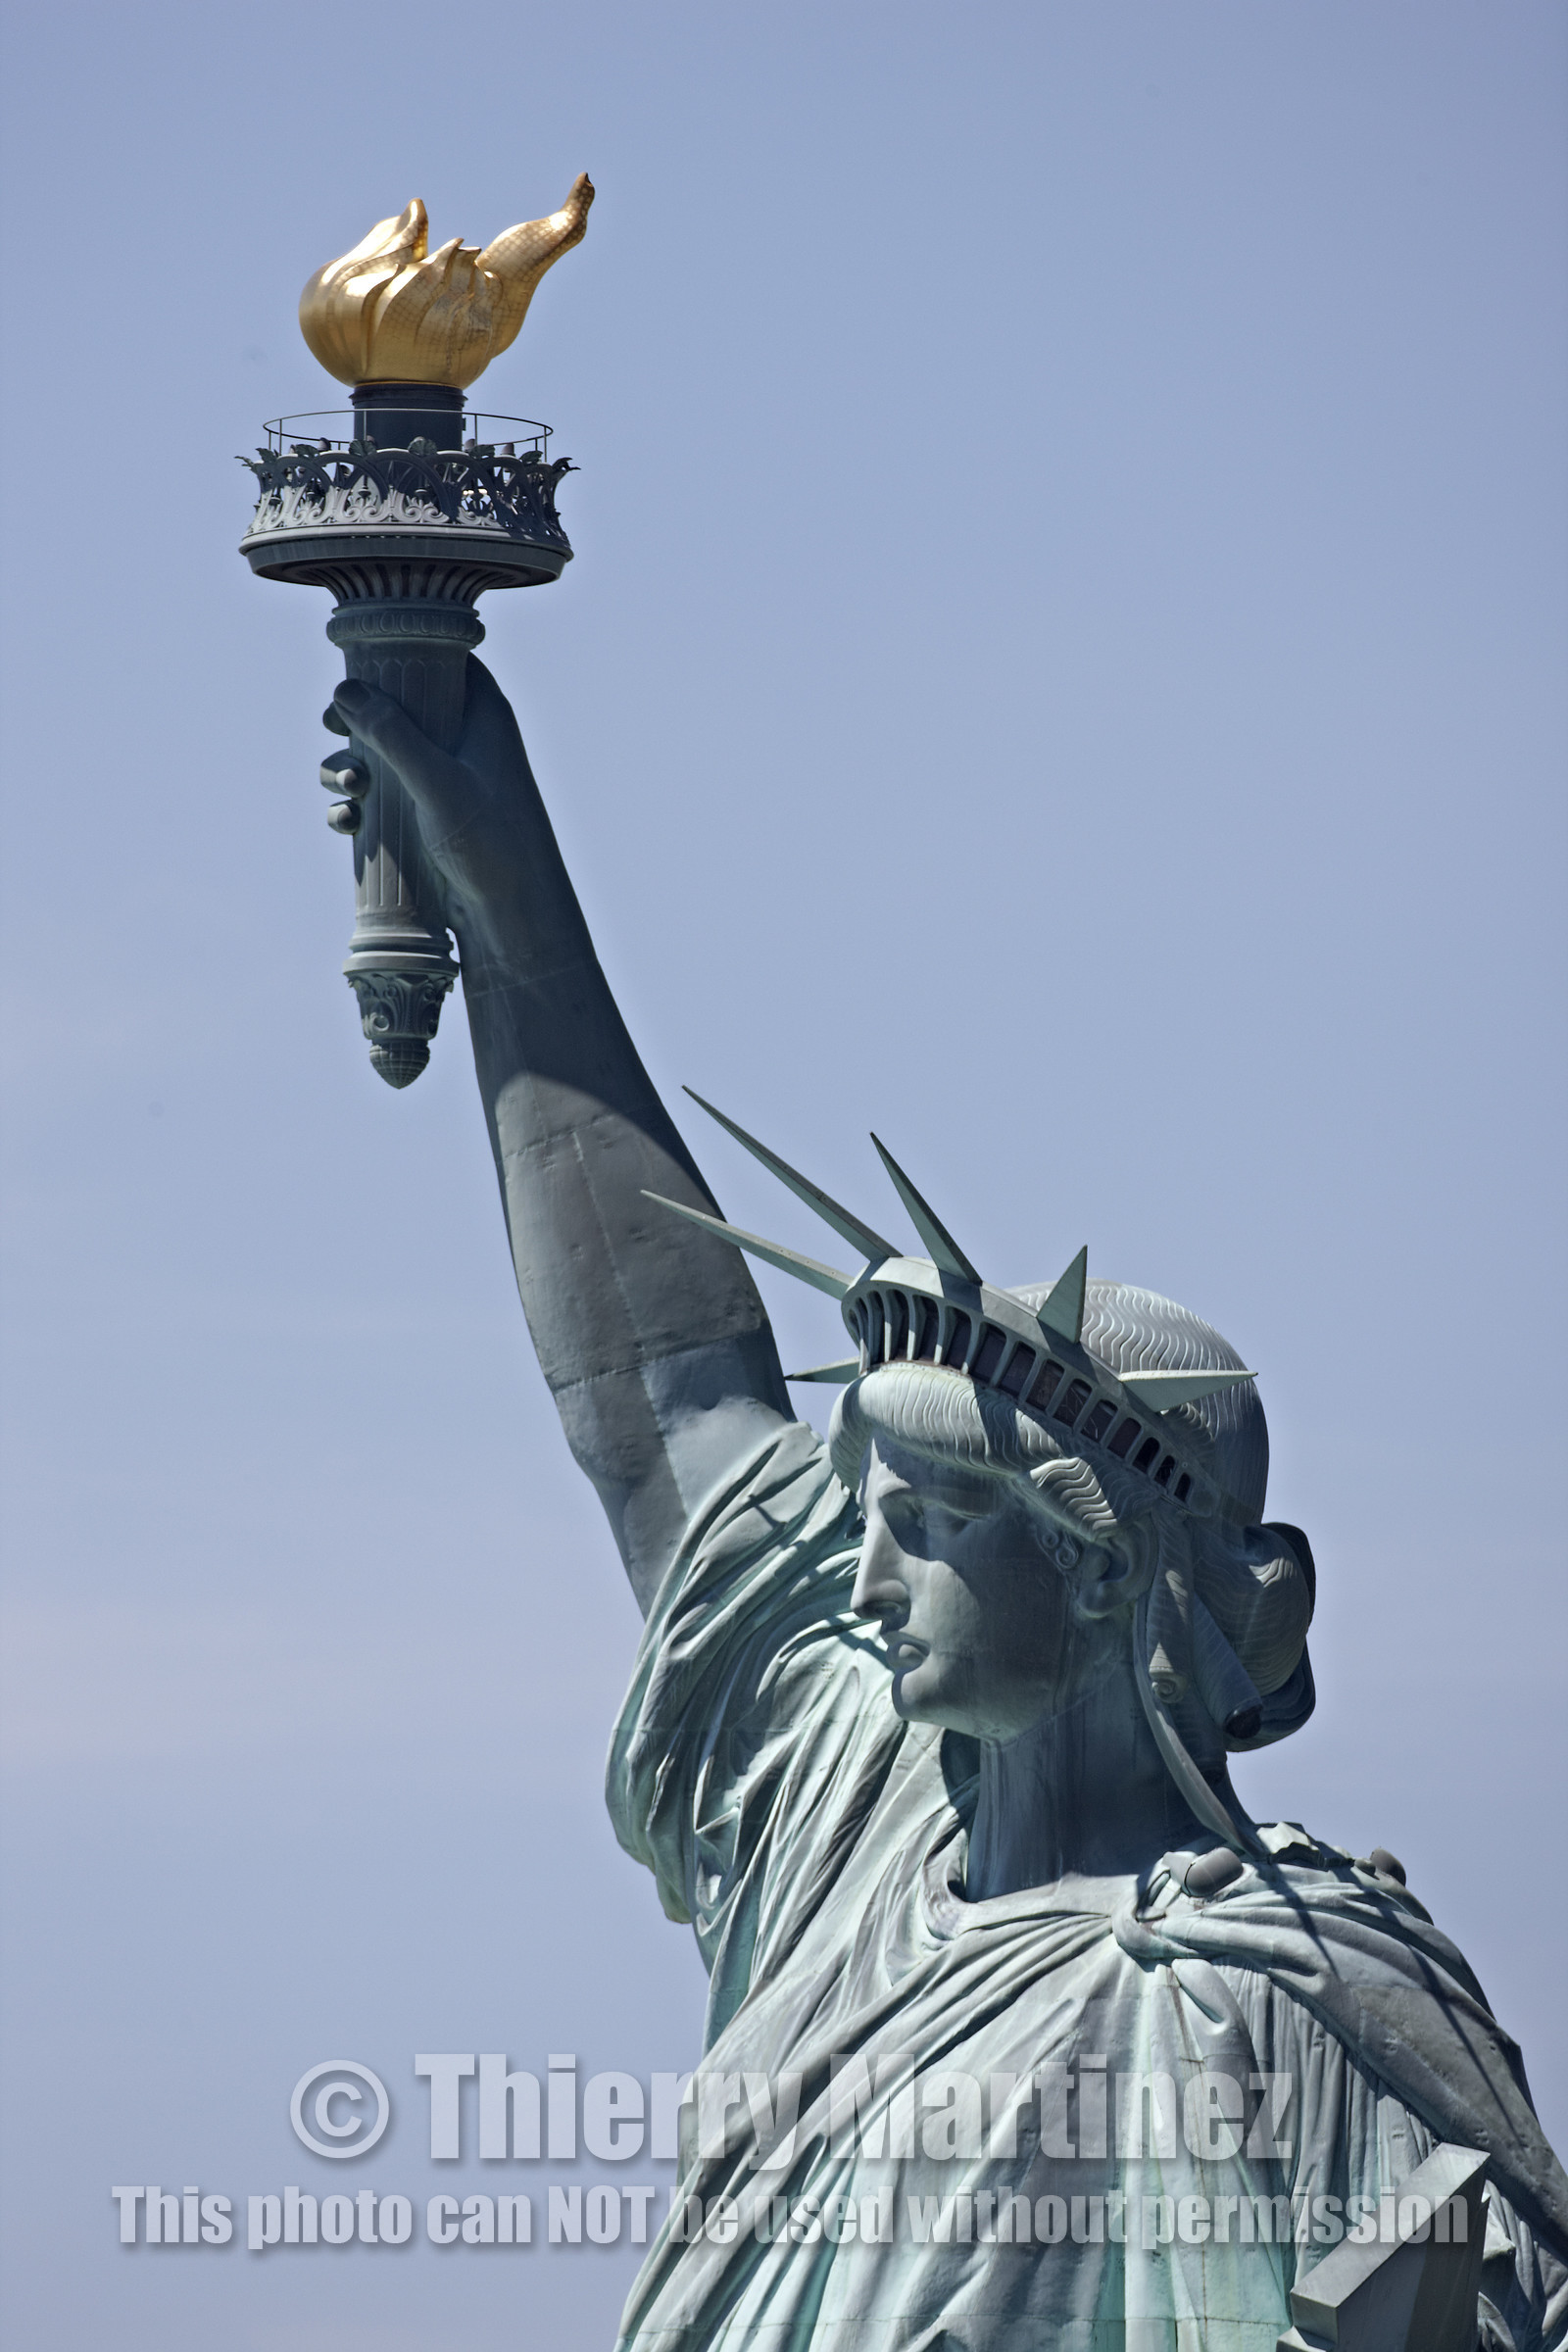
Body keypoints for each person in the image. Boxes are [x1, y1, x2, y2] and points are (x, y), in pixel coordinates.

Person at [331, 657, 1567, 2350]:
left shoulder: (1309, 2006)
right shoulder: (856, 1819)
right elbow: (666, 1396)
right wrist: (499, 878)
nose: (862, 1567)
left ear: (1104, 1566)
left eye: (927, 1520)